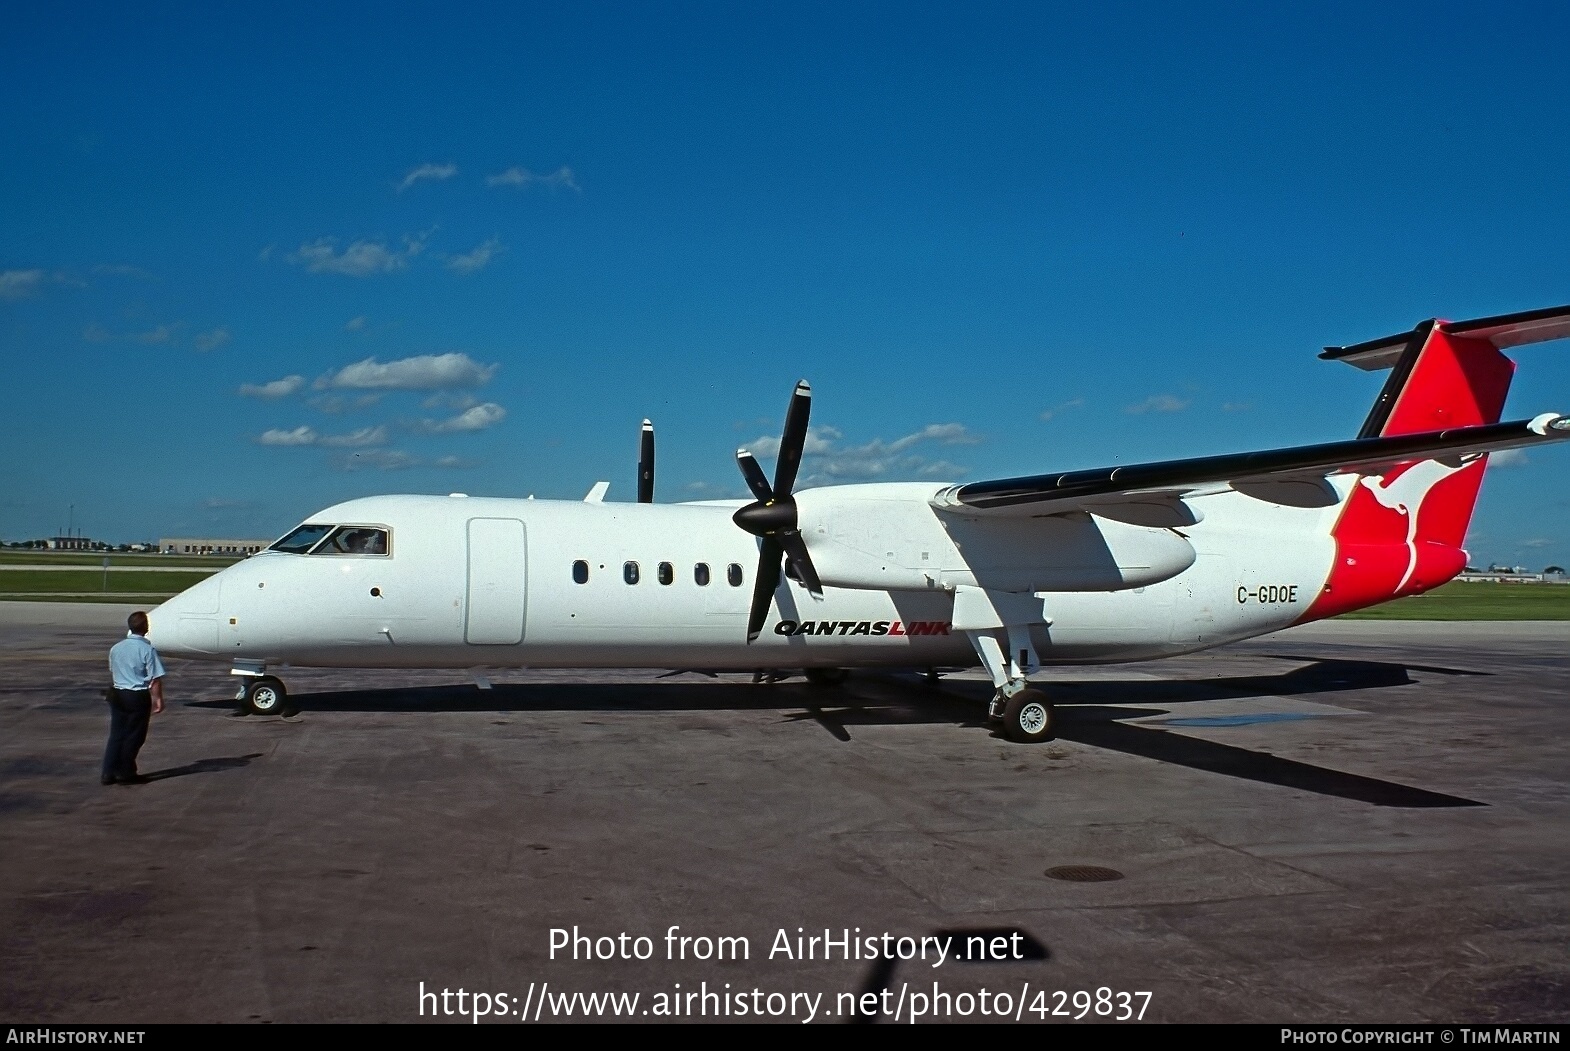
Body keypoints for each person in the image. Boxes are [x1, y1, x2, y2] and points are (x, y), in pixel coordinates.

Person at [103, 610, 165, 786]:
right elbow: (155, 679)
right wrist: (158, 699)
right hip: (136, 695)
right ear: (145, 628)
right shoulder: (147, 649)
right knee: (135, 736)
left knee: (116, 735)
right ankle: (126, 772)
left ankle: (108, 772)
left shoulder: (116, 648)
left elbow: (112, 669)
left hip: (117, 693)